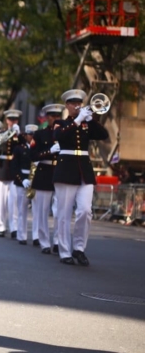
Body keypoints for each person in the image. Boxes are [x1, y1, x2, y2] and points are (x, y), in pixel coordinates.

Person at [54, 89, 109, 266]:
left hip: (84, 170)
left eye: (79, 103)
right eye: (73, 103)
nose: (77, 105)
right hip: (66, 169)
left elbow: (103, 135)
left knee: (85, 210)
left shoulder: (86, 123)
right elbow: (59, 136)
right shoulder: (60, 123)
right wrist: (77, 120)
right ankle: (64, 251)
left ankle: (79, 248)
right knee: (63, 213)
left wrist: (90, 119)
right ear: (67, 106)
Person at [30, 104, 64, 254]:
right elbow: (33, 155)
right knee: (43, 210)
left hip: (61, 170)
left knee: (59, 210)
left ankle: (57, 240)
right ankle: (44, 241)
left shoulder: (65, 132)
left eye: (58, 116)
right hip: (44, 170)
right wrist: (48, 152)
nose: (55, 119)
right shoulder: (40, 134)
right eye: (52, 116)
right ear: (47, 117)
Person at [0, 109, 23, 238]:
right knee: (1, 200)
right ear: (6, 120)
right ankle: (0, 226)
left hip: (14, 168)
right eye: (10, 119)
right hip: (2, 168)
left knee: (14, 200)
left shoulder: (20, 135)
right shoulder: (2, 132)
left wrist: (19, 134)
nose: (13, 122)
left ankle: (14, 227)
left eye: (15, 119)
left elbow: (24, 146)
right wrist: (11, 132)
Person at [11, 124, 37, 245]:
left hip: (37, 181)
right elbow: (15, 167)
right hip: (23, 181)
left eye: (33, 135)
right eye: (29, 134)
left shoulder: (39, 148)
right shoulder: (19, 148)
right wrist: (22, 180)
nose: (31, 137)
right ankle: (22, 235)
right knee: (22, 209)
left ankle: (37, 236)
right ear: (25, 135)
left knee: (38, 211)